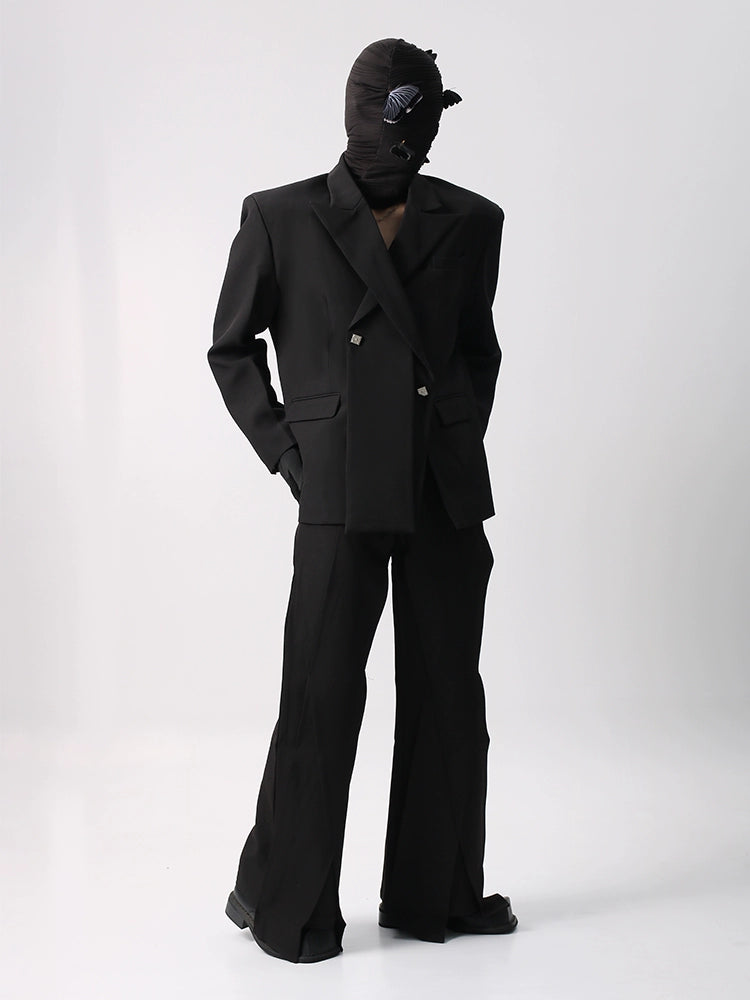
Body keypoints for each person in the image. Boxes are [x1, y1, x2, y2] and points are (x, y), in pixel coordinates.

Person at [208, 37, 517, 964]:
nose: (414, 135)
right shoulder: (281, 216)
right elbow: (231, 349)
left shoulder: (473, 220)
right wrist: (291, 452)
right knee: (320, 692)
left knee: (447, 691)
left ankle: (436, 896)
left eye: (425, 116)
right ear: (372, 114)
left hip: (440, 487)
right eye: (406, 113)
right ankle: (285, 901)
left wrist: (451, 435)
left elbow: (476, 351)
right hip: (338, 484)